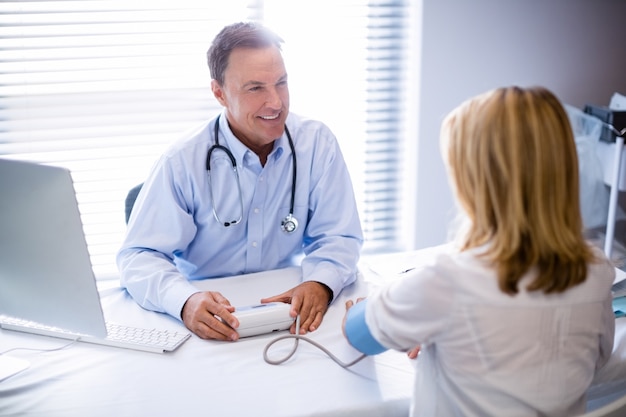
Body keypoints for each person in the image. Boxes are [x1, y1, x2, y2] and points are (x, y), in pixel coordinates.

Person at [342, 86, 616, 416]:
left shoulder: (448, 280)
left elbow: (361, 335)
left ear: (477, 183)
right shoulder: (596, 270)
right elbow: (596, 359)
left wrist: (395, 305)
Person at [117, 21, 363, 342]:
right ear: (219, 92)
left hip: (285, 313)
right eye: (255, 88)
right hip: (210, 315)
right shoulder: (182, 161)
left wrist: (320, 283)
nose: (276, 103)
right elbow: (138, 257)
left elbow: (339, 236)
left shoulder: (317, 144)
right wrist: (184, 301)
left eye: (281, 82)